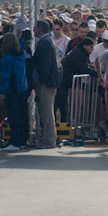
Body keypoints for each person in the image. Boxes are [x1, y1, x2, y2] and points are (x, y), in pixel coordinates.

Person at [32, 19, 62, 149]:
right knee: (46, 111)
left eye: (35, 27)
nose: (33, 30)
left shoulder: (45, 42)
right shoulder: (48, 41)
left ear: (40, 28)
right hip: (49, 81)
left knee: (46, 112)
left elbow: (45, 65)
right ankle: (48, 138)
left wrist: (41, 81)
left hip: (46, 82)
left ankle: (49, 139)